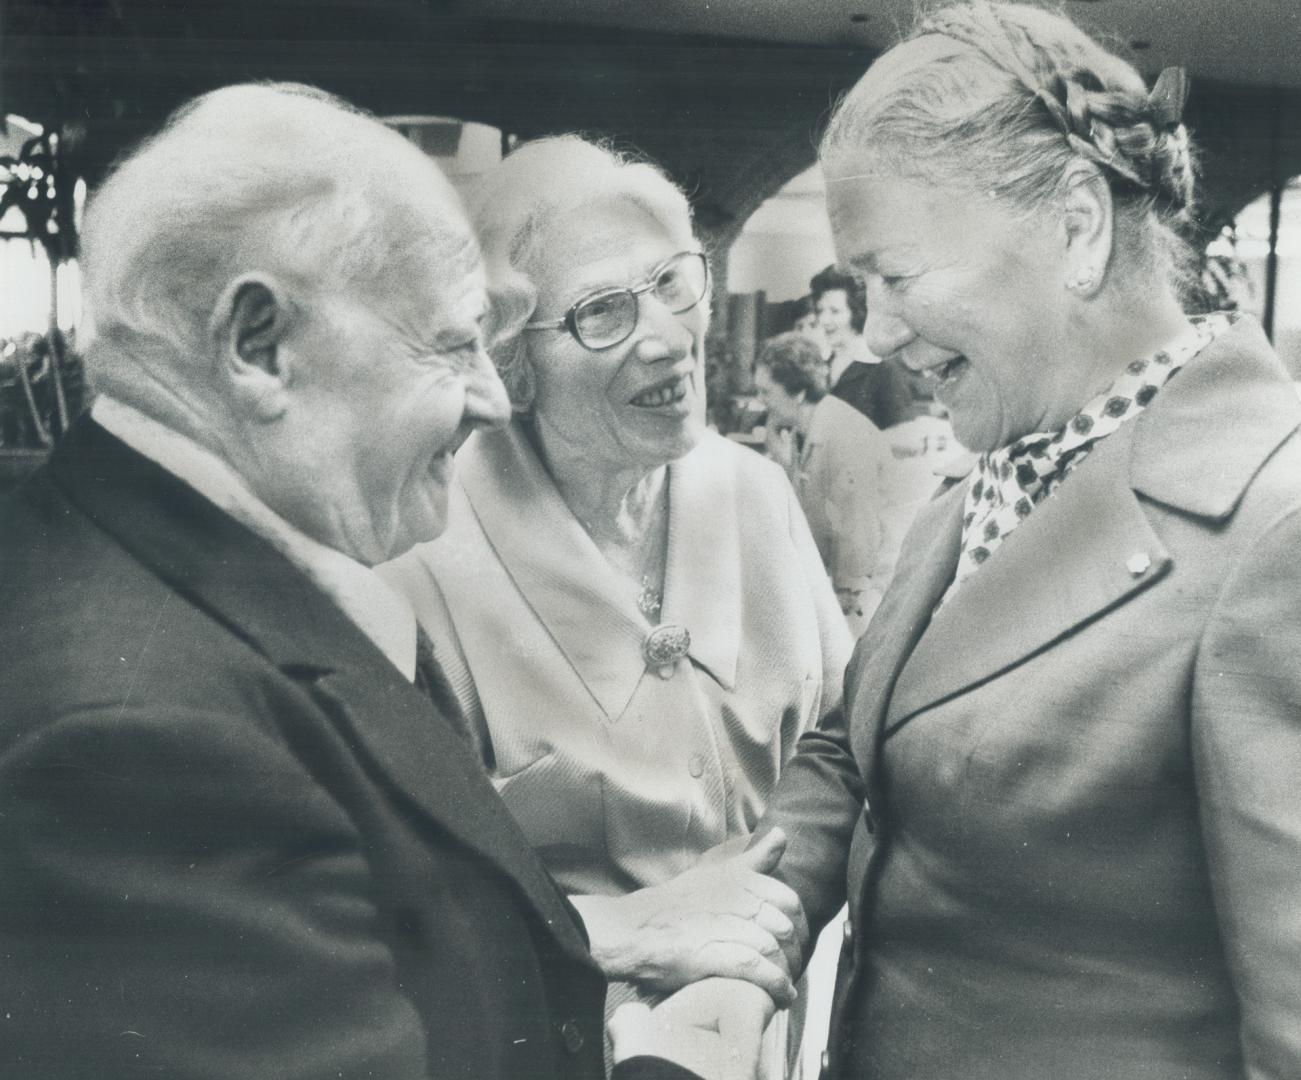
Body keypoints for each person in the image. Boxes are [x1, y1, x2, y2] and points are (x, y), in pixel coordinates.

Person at [0, 84, 728, 1080]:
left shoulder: (157, 573)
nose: (488, 398)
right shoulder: (131, 746)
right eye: (451, 342)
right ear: (258, 346)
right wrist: (672, 1060)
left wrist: (596, 937)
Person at [679, 4, 1301, 1078]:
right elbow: (860, 742)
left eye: (895, 277)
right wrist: (747, 941)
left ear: (1073, 226)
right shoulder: (1014, 453)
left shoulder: (1272, 530)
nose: (870, 332)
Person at [379, 135, 850, 1072]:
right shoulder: (426, 554)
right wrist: (622, 932)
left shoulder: (754, 492)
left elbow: (840, 762)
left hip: (759, 1021)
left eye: (675, 282)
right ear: (515, 358)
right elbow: (401, 902)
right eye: (601, 311)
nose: (669, 338)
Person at [753, 332, 894, 634]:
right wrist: (782, 461)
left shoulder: (844, 434)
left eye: (766, 392)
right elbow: (810, 505)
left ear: (799, 392)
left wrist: (841, 602)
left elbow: (858, 527)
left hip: (862, 595)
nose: (760, 401)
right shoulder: (801, 429)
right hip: (828, 582)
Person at [809, 263, 913, 429]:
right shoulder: (821, 367)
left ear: (858, 312)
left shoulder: (885, 370)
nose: (824, 320)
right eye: (820, 310)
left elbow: (902, 437)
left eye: (834, 311)